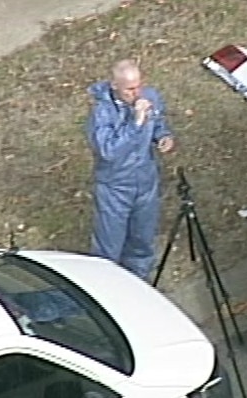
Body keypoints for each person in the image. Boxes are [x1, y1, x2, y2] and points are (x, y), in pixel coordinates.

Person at [86, 59, 174, 281]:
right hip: (115, 186)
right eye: (130, 89)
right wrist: (135, 123)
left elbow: (159, 121)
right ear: (115, 85)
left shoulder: (150, 97)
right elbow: (109, 151)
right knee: (109, 247)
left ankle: (138, 284)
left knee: (142, 241)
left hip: (145, 181)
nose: (136, 93)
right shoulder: (102, 113)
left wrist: (162, 135)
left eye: (139, 86)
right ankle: (106, 287)